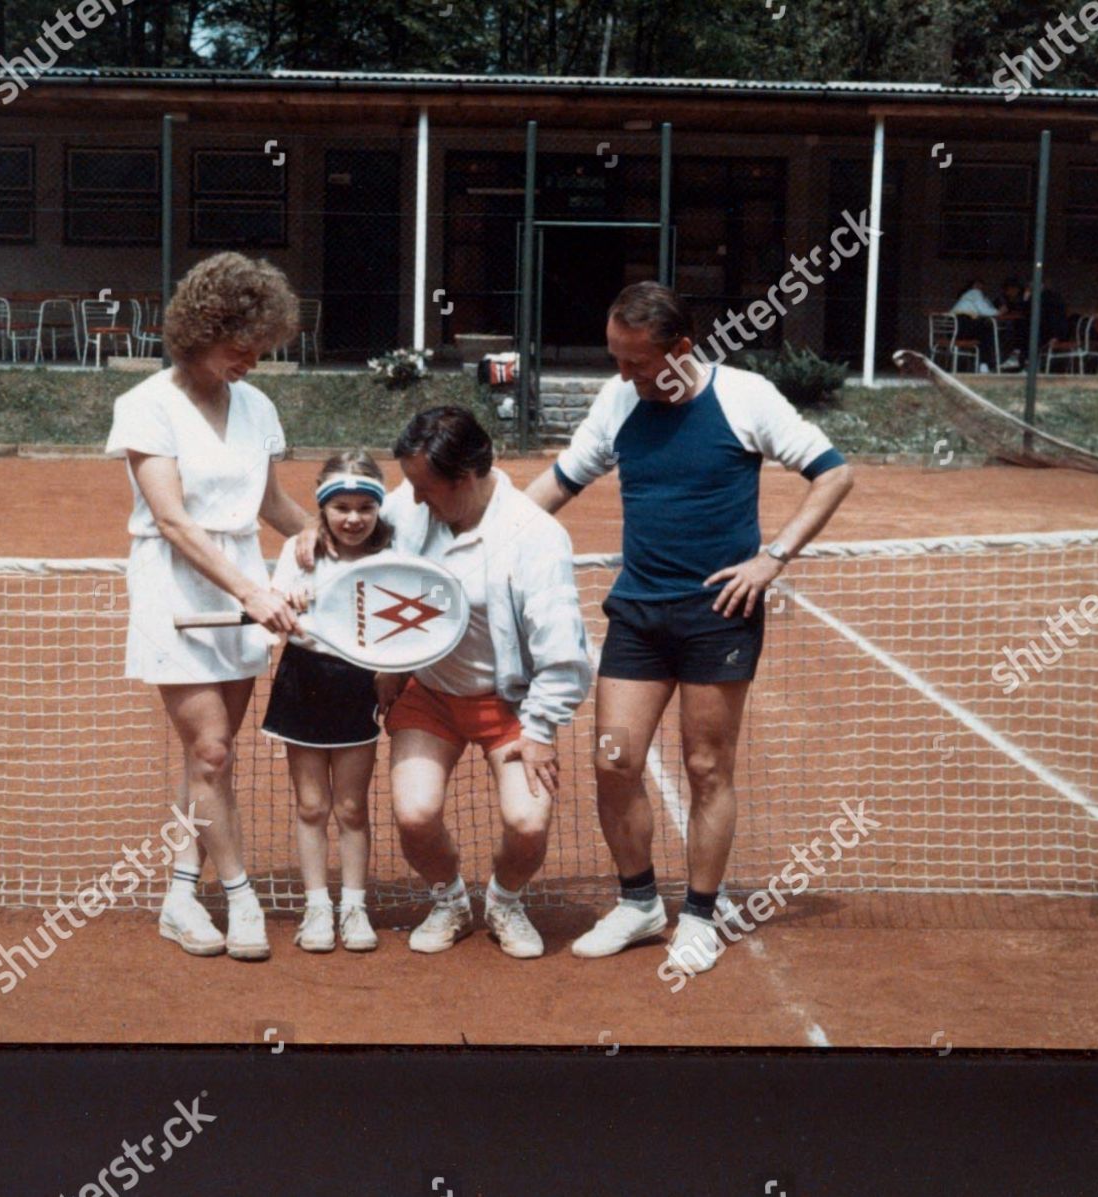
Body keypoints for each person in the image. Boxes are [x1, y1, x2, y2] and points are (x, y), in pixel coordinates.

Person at [523, 281, 854, 977]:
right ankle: (640, 903)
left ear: (679, 349)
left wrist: (773, 557)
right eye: (616, 358)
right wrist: (486, 542)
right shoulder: (618, 402)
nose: (623, 375)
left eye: (636, 362)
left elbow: (832, 475)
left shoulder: (745, 397)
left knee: (707, 767)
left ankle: (700, 914)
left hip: (717, 616)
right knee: (614, 758)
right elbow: (553, 488)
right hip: (638, 611)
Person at [105, 251, 309, 963]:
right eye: (239, 348)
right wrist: (252, 591)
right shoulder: (146, 406)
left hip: (245, 580)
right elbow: (175, 522)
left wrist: (321, 538)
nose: (251, 362)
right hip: (179, 584)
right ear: (199, 332)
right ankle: (242, 896)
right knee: (212, 747)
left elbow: (271, 503)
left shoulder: (256, 405)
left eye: (261, 349)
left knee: (211, 762)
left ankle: (179, 894)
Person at [336, 407, 592, 959]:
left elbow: (564, 655)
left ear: (466, 478)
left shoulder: (535, 537)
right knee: (415, 813)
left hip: (511, 703)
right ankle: (450, 899)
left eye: (426, 488)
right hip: (430, 694)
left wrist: (541, 728)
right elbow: (372, 565)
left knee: (527, 822)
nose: (415, 499)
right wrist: (392, 666)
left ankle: (504, 899)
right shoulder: (412, 506)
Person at [262, 452, 390, 953]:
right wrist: (287, 607)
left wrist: (387, 673)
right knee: (312, 805)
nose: (353, 518)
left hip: (360, 683)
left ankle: (354, 905)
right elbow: (274, 611)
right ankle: (318, 906)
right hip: (305, 678)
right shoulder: (299, 551)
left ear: (379, 509)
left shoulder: (390, 556)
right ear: (322, 507)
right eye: (340, 507)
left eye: (365, 507)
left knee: (352, 807)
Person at [948, 280, 1000, 369]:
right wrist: (999, 312)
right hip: (962, 326)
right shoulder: (974, 292)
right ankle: (986, 365)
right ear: (974, 285)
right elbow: (985, 311)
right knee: (988, 331)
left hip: (952, 331)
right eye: (979, 285)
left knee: (984, 331)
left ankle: (981, 364)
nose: (981, 287)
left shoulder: (965, 296)